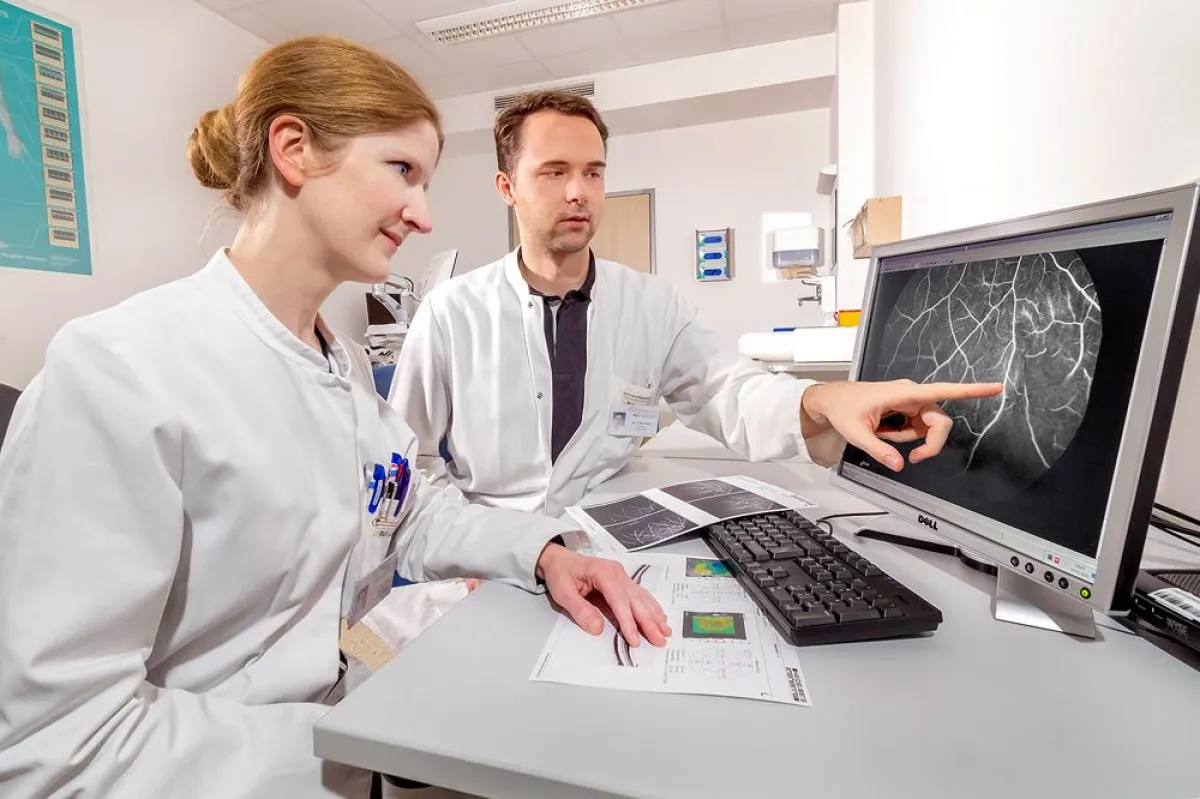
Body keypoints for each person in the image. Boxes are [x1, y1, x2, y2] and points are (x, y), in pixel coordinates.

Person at [0, 38, 669, 799]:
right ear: (294, 149)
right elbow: (59, 744)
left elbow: (405, 511)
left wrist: (546, 554)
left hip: (348, 737)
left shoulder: (339, 365)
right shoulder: (122, 373)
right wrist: (361, 746)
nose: (422, 214)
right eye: (402, 171)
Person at [390, 90, 1002, 517]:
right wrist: (462, 548)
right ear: (507, 188)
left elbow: (729, 392)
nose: (579, 192)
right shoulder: (450, 313)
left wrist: (823, 397)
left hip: (602, 541)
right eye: (553, 172)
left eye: (594, 172)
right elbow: (408, 459)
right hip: (487, 554)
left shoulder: (652, 304)